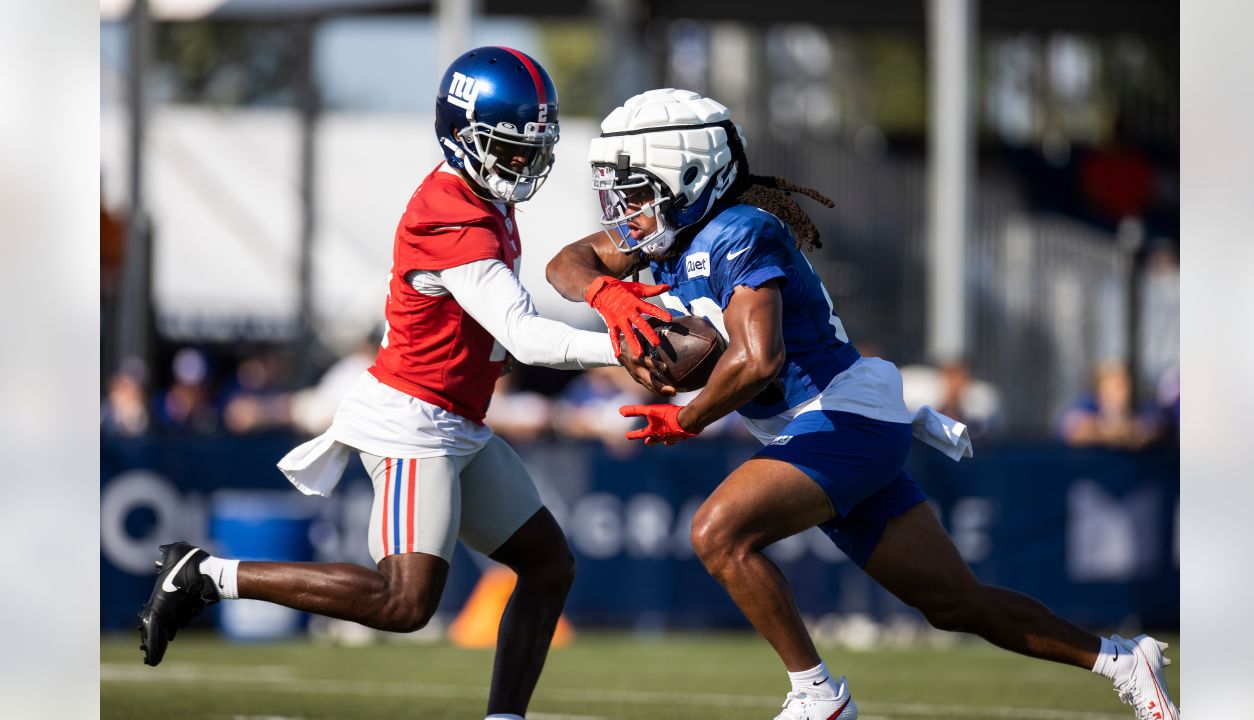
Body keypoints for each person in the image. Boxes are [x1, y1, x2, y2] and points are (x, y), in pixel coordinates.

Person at [546, 88, 1178, 720]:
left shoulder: (741, 230)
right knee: (956, 602)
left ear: (688, 175)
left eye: (635, 191)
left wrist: (686, 419)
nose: (624, 210)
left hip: (841, 415)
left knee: (718, 533)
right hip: (832, 425)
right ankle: (1122, 659)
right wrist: (609, 295)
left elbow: (757, 359)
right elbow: (564, 263)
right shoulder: (670, 237)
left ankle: (817, 696)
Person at [138, 48, 663, 720]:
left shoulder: (479, 196)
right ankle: (206, 576)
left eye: (532, 150)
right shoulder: (449, 212)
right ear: (462, 135)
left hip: (458, 420)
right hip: (413, 420)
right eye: (508, 149)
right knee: (404, 601)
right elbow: (530, 337)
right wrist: (627, 345)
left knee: (548, 565)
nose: (524, 166)